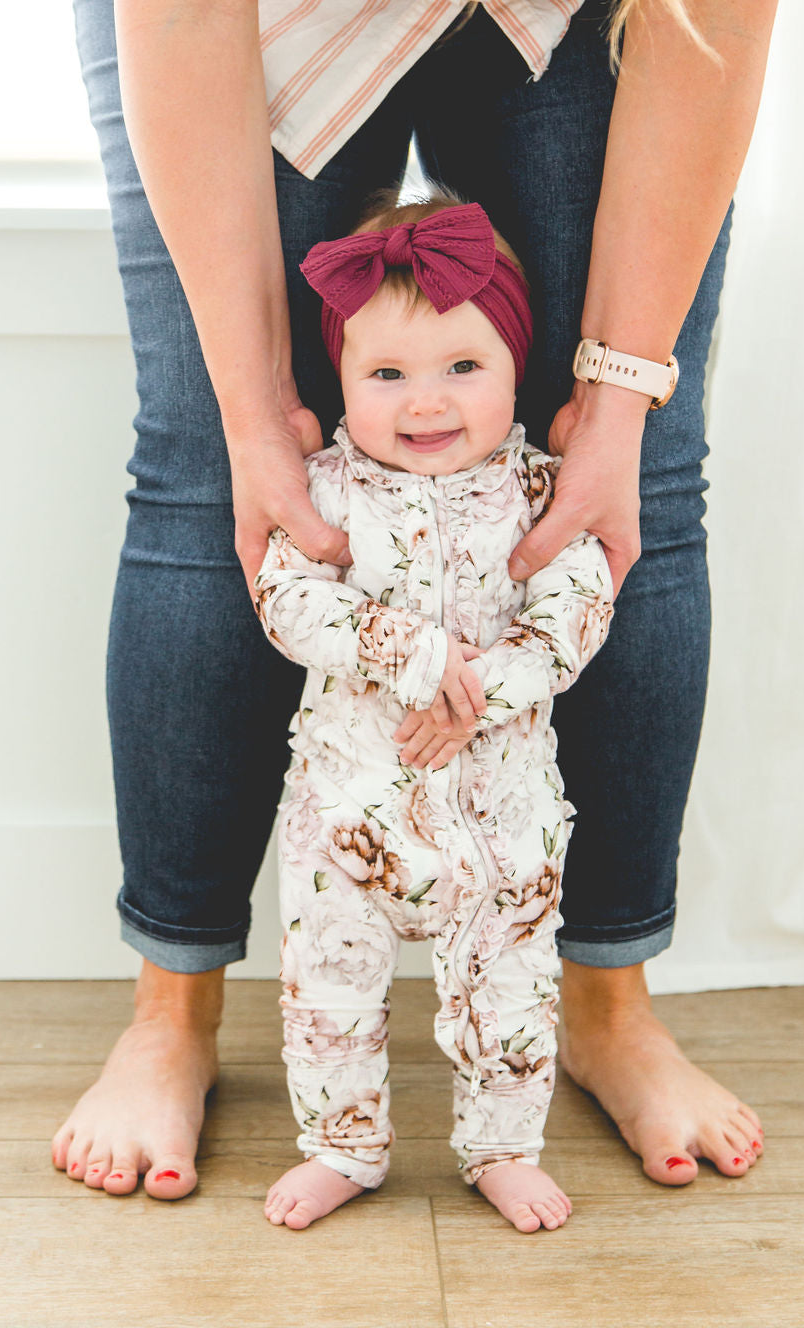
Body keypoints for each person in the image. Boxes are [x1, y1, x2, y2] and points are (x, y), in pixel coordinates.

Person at [53, 0, 804, 1200]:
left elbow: (712, 26)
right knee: (210, 475)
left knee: (633, 485)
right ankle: (169, 1013)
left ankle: (611, 1008)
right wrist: (257, 412)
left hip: (591, 2)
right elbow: (183, 3)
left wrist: (615, 400)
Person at [257, 192, 613, 1232]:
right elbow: (288, 598)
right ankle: (341, 1144)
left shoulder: (542, 494)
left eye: (463, 367)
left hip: (503, 820)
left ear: (514, 368)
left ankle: (501, 1146)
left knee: (511, 991)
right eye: (386, 375)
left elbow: (576, 609)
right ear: (341, 380)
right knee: (328, 991)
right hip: (350, 817)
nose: (426, 402)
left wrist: (480, 692)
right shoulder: (324, 493)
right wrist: (416, 657)